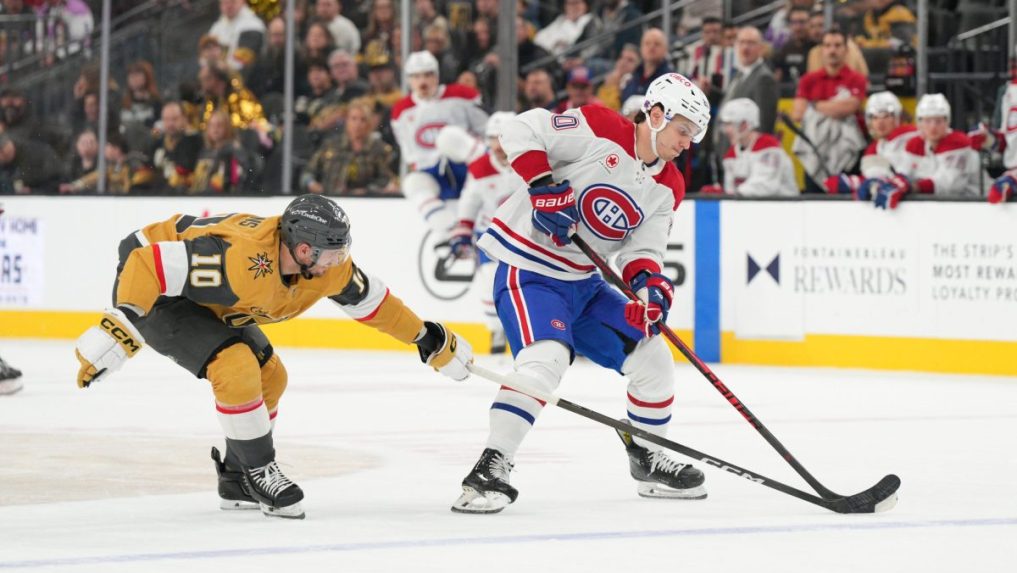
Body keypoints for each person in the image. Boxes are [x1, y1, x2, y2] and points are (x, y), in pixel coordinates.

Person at [73, 194, 474, 519]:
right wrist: (121, 322)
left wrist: (424, 337)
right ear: (302, 249)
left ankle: (236, 477)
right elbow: (146, 263)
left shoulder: (324, 265)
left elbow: (374, 303)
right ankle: (260, 469)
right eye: (331, 253)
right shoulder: (239, 261)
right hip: (156, 291)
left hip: (205, 298)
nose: (339, 262)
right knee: (235, 364)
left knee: (271, 377)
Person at [451, 73, 712, 514]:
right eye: (684, 129)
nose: (688, 142)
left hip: (584, 285)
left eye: (695, 135)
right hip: (530, 270)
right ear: (656, 113)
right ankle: (490, 467)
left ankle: (647, 455)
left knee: (653, 358)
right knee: (546, 360)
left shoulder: (669, 185)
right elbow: (520, 129)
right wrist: (541, 186)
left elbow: (642, 249)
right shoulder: (600, 127)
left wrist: (650, 288)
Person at [445, 112, 523, 355]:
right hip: (492, 235)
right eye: (492, 138)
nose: (498, 146)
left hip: (527, 237)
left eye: (502, 137)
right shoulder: (479, 167)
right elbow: (470, 201)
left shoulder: (531, 160)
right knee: (490, 279)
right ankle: (497, 330)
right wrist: (462, 232)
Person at [391, 50, 488, 236]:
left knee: (448, 138)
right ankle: (447, 231)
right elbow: (410, 153)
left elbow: (487, 129)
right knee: (412, 183)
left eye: (428, 74)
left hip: (468, 166)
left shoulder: (463, 95)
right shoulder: (401, 112)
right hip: (435, 174)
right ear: (409, 80)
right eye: (416, 76)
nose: (423, 81)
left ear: (437, 75)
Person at [862, 93, 983, 209]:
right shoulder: (916, 144)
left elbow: (948, 185)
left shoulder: (958, 143)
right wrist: (886, 183)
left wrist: (912, 186)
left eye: (938, 121)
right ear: (919, 123)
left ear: (947, 121)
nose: (933, 127)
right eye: (927, 121)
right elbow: (903, 173)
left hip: (976, 207)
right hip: (942, 209)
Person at [824, 91, 917, 198]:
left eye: (886, 116)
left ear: (897, 118)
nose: (880, 123)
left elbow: (905, 178)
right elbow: (873, 179)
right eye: (875, 118)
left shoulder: (912, 138)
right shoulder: (874, 148)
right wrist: (850, 182)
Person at [701, 98, 797, 196]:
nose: (726, 130)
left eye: (729, 124)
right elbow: (731, 190)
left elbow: (763, 186)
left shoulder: (769, 148)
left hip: (782, 209)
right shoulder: (731, 154)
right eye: (725, 124)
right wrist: (721, 192)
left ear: (745, 125)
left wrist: (730, 194)